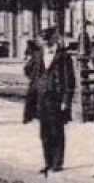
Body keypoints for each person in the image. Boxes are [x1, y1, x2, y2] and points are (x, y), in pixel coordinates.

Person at [24, 26, 76, 174]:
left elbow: (69, 80)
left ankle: (57, 162)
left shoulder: (63, 56)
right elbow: (28, 72)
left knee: (57, 130)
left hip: (56, 98)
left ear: (54, 39)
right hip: (40, 98)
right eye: (43, 39)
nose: (46, 42)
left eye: (49, 39)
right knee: (44, 131)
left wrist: (66, 100)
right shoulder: (38, 54)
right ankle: (48, 162)